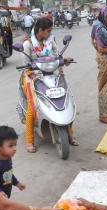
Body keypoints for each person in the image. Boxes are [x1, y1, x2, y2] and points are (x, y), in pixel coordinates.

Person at [22, 17, 77, 152]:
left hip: (51, 74)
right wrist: (34, 75)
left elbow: (57, 56)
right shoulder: (28, 44)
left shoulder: (50, 41)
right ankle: (29, 141)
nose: (49, 33)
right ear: (40, 30)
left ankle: (70, 133)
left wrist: (64, 61)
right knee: (33, 106)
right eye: (48, 30)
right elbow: (25, 67)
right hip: (32, 77)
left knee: (65, 101)